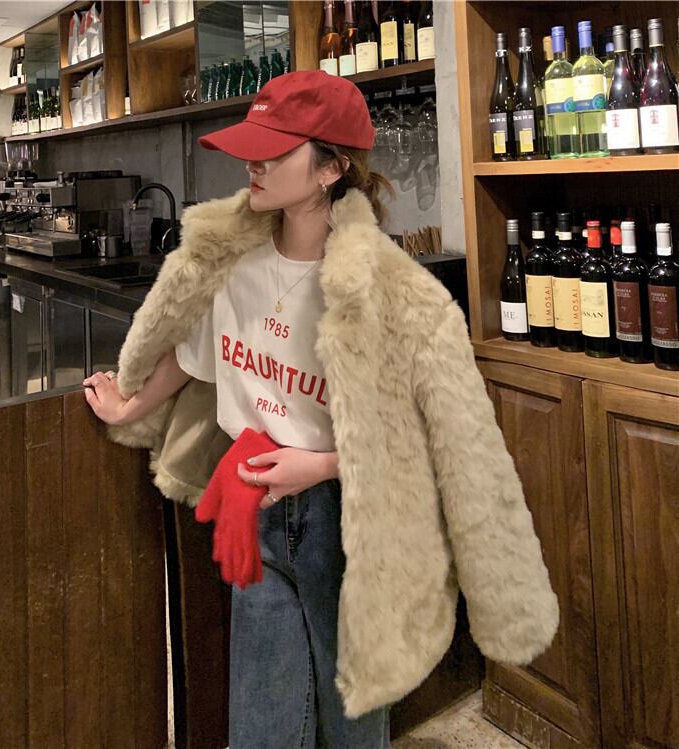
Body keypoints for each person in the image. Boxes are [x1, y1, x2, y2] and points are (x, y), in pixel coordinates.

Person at [83, 70, 559, 749]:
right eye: (251, 148)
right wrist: (128, 404)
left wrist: (323, 464)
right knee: (260, 720)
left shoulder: (389, 291)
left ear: (331, 169)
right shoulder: (235, 259)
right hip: (251, 500)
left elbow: (430, 436)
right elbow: (194, 357)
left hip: (346, 518)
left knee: (352, 715)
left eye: (273, 151)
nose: (252, 163)